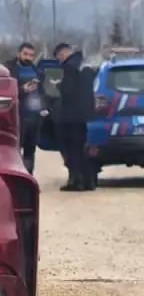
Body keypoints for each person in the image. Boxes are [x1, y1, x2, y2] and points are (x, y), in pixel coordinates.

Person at [46, 42, 98, 192]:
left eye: (58, 57)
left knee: (72, 149)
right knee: (82, 148)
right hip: (83, 115)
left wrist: (57, 85)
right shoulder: (84, 64)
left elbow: (68, 91)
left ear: (62, 53)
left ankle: (77, 182)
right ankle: (88, 181)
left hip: (71, 116)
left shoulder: (69, 67)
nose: (59, 60)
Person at [8, 43, 42, 175]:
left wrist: (44, 108)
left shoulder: (37, 71)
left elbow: (43, 92)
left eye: (31, 55)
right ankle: (15, 176)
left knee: (30, 150)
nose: (28, 57)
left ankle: (29, 176)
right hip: (17, 116)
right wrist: (22, 90)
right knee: (15, 150)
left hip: (35, 116)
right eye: (25, 54)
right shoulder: (11, 70)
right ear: (19, 54)